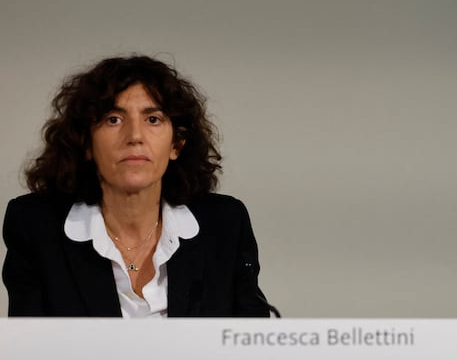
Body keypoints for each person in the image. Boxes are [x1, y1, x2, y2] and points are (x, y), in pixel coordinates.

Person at [3, 55, 279, 317]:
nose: (134, 136)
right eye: (114, 119)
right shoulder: (36, 226)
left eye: (153, 119)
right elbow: (31, 353)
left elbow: (248, 347)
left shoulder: (224, 224)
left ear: (176, 144)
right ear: (86, 143)